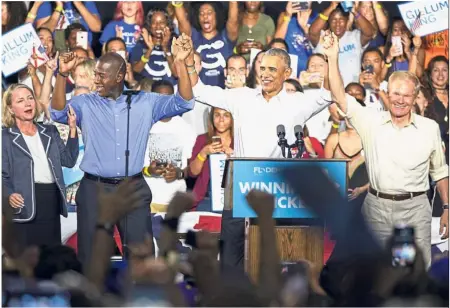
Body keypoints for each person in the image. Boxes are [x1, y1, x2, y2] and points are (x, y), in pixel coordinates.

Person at [186, 33, 334, 269]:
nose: (264, 74)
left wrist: (332, 58)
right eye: (262, 68)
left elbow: (330, 93)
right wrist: (188, 64)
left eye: (272, 70)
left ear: (287, 73)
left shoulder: (297, 102)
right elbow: (199, 91)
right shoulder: (242, 97)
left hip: (275, 190)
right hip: (240, 185)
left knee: (271, 256)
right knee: (231, 256)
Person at [49, 35, 195, 265]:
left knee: (141, 256)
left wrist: (184, 63)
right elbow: (57, 113)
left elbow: (184, 102)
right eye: (95, 73)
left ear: (119, 77)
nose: (95, 80)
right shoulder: (85, 102)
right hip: (94, 189)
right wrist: (62, 74)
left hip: (132, 188)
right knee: (91, 258)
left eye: (101, 75)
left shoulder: (145, 102)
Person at [324, 31, 449, 267]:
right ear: (386, 95)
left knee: (414, 274)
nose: (400, 100)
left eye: (406, 95)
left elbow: (440, 172)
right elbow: (340, 97)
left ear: (415, 98)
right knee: (375, 273)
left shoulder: (429, 128)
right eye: (395, 94)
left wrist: (447, 208)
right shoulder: (370, 121)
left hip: (414, 209)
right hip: (376, 210)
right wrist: (332, 57)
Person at [2, 84, 79, 248]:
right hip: (24, 202)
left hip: (50, 199)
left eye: (30, 98)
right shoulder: (6, 137)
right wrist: (9, 194)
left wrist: (73, 129)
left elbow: (69, 160)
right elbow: (2, 174)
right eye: (21, 101)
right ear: (10, 108)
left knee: (50, 255)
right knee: (27, 257)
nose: (28, 103)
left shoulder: (49, 131)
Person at [142, 80, 196, 213]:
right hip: (148, 200)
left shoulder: (186, 128)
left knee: (177, 235)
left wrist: (178, 173)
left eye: (169, 98)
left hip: (177, 201)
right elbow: (132, 168)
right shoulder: (141, 126)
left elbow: (191, 169)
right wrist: (149, 171)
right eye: (160, 98)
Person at [174, 1, 239, 87]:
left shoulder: (226, 37)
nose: (205, 16)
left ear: (216, 15)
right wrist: (177, 3)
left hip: (225, 93)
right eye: (201, 14)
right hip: (200, 95)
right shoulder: (193, 38)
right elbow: (182, 20)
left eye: (209, 13)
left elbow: (233, 19)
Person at [310, 3, 374, 86]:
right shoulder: (322, 37)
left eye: (341, 20)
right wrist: (332, 5)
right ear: (328, 21)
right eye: (333, 20)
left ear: (347, 20)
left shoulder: (355, 37)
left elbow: (369, 33)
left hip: (352, 91)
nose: (337, 24)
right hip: (327, 91)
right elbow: (312, 32)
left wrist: (354, 11)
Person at [189, 107, 234, 211]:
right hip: (205, 200)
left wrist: (234, 156)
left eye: (226, 115)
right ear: (212, 118)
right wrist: (203, 153)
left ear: (232, 119)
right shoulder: (202, 139)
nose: (221, 119)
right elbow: (193, 173)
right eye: (217, 115)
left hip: (233, 201)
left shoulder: (239, 140)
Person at [131, 9, 177, 84]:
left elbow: (176, 74)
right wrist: (149, 50)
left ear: (167, 25)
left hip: (168, 91)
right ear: (149, 25)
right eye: (154, 22)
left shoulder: (175, 44)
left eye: (161, 22)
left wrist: (165, 48)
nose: (158, 26)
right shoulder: (140, 45)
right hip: (146, 90)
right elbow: (135, 71)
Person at [274, 1, 316, 73]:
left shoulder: (318, 18)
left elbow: (318, 45)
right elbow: (277, 42)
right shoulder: (284, 15)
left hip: (309, 70)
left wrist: (305, 28)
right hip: (288, 68)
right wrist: (288, 16)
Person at [36, 1, 101, 45]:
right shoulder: (47, 4)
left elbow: (96, 27)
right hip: (58, 47)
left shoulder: (86, 2)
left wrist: (78, 3)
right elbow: (42, 33)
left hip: (83, 47)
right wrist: (59, 7)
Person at [424, 56, 449, 163]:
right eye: (436, 70)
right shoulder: (424, 94)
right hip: (433, 155)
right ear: (430, 74)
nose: (440, 74)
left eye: (444, 70)